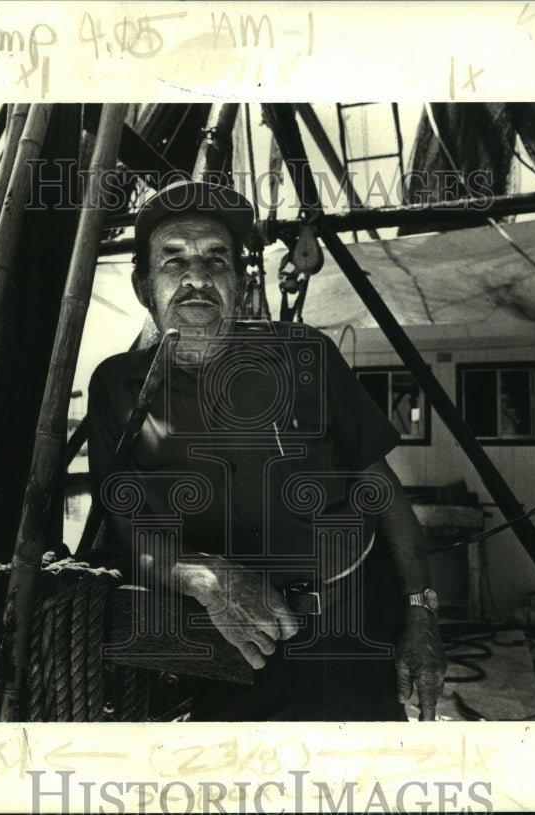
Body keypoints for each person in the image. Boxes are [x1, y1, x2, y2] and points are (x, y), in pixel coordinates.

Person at [87, 180, 445, 721]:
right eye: (173, 262)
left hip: (355, 638)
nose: (197, 280)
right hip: (228, 647)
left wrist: (421, 612)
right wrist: (201, 576)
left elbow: (380, 487)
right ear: (143, 287)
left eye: (216, 260)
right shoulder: (116, 387)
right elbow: (126, 528)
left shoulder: (307, 356)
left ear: (238, 278)